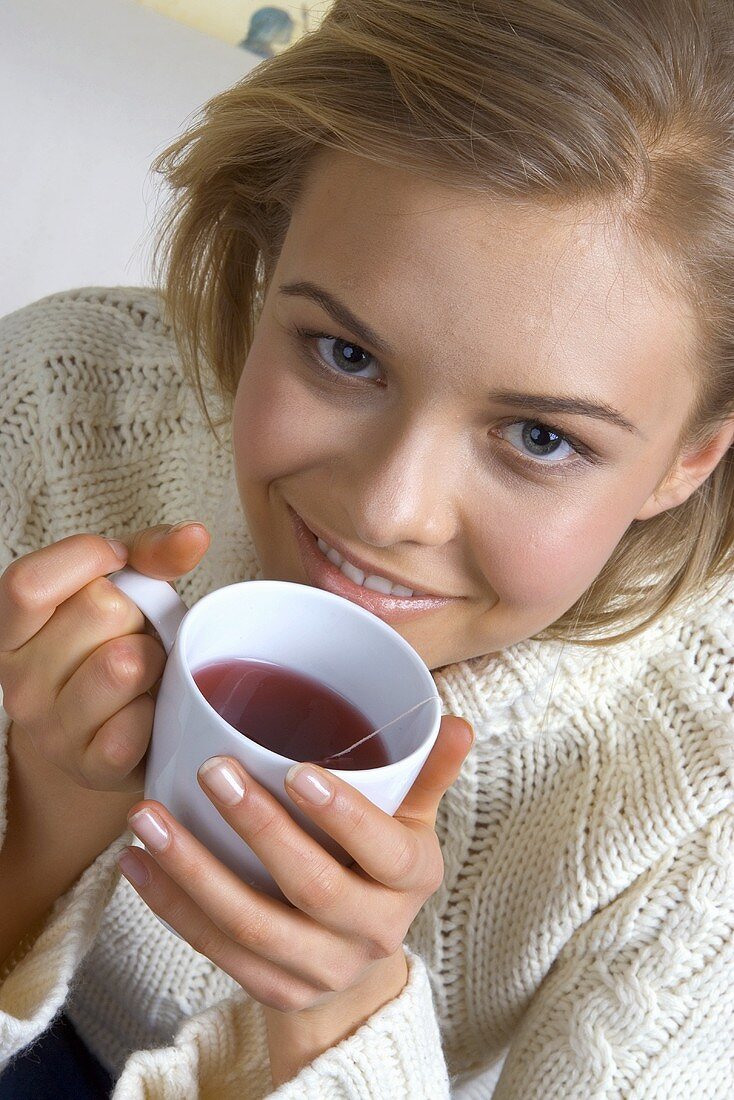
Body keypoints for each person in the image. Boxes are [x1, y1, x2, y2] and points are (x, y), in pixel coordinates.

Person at [1, 1, 732, 1096]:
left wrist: (337, 1014)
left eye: (540, 437)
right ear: (268, 241)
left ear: (687, 459)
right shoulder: (67, 405)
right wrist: (38, 832)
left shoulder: (702, 794)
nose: (389, 508)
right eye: (343, 352)